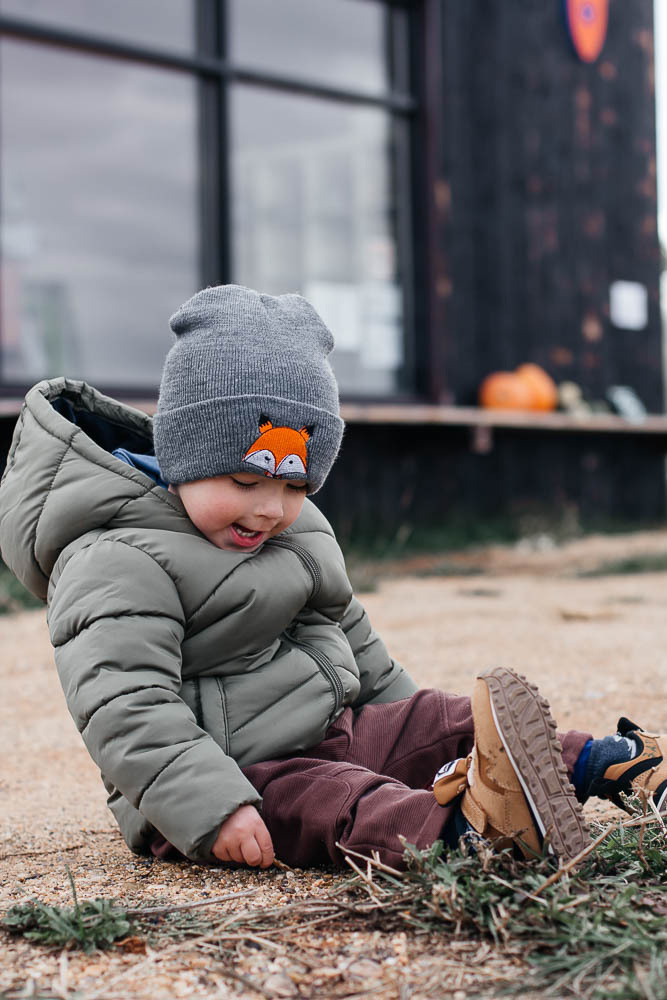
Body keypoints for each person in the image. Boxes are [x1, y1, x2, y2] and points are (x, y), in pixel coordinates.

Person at [0, 285, 664, 871]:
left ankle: (604, 761)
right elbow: (124, 706)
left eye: (294, 485)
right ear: (180, 455)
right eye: (243, 480)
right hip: (233, 777)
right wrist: (211, 807)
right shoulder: (116, 557)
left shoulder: (298, 528)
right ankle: (466, 831)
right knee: (341, 800)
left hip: (331, 728)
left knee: (441, 719)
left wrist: (412, 735)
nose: (268, 507)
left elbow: (351, 638)